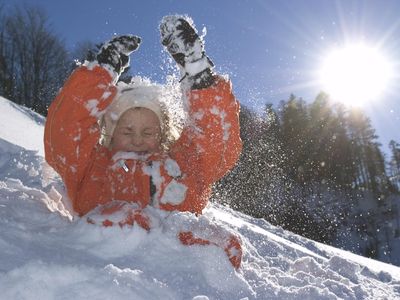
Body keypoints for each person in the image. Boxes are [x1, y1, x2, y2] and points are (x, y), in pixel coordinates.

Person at [44, 15, 243, 268]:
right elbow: (65, 130)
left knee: (223, 240)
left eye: (149, 132)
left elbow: (216, 144)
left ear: (162, 135)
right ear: (110, 134)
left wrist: (199, 76)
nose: (137, 139)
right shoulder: (90, 165)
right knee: (121, 218)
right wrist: (100, 74)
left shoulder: (182, 164)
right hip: (103, 261)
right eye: (127, 131)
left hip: (177, 263)